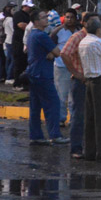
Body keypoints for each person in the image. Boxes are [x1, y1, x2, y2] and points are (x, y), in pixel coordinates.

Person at [26, 10, 68, 145]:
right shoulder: (41, 36)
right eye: (43, 17)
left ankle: (36, 135)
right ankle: (55, 135)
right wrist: (51, 54)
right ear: (37, 21)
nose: (47, 19)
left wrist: (50, 54)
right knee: (53, 104)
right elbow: (57, 52)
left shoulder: (32, 34)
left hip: (34, 73)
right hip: (43, 74)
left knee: (35, 106)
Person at [78, 17, 101, 161]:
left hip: (89, 80)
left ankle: (90, 151)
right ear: (99, 29)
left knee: (90, 118)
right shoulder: (98, 42)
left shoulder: (83, 41)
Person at [60, 13, 90, 159]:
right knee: (78, 115)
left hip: (95, 82)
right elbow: (64, 53)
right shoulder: (78, 37)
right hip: (80, 81)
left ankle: (90, 148)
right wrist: (76, 73)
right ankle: (76, 148)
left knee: (91, 116)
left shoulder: (98, 36)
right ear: (84, 22)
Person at [50, 9, 80, 127]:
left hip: (76, 66)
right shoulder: (58, 31)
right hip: (61, 66)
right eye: (67, 17)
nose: (69, 20)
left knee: (74, 95)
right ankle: (61, 118)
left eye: (72, 17)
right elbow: (51, 46)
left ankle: (73, 118)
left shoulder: (79, 31)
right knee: (62, 94)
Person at [11, 0, 34, 88]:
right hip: (18, 42)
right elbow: (21, 25)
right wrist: (31, 27)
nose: (30, 8)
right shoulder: (18, 14)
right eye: (29, 7)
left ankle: (25, 83)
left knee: (25, 63)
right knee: (18, 63)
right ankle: (17, 83)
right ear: (24, 6)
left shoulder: (29, 16)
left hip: (27, 42)